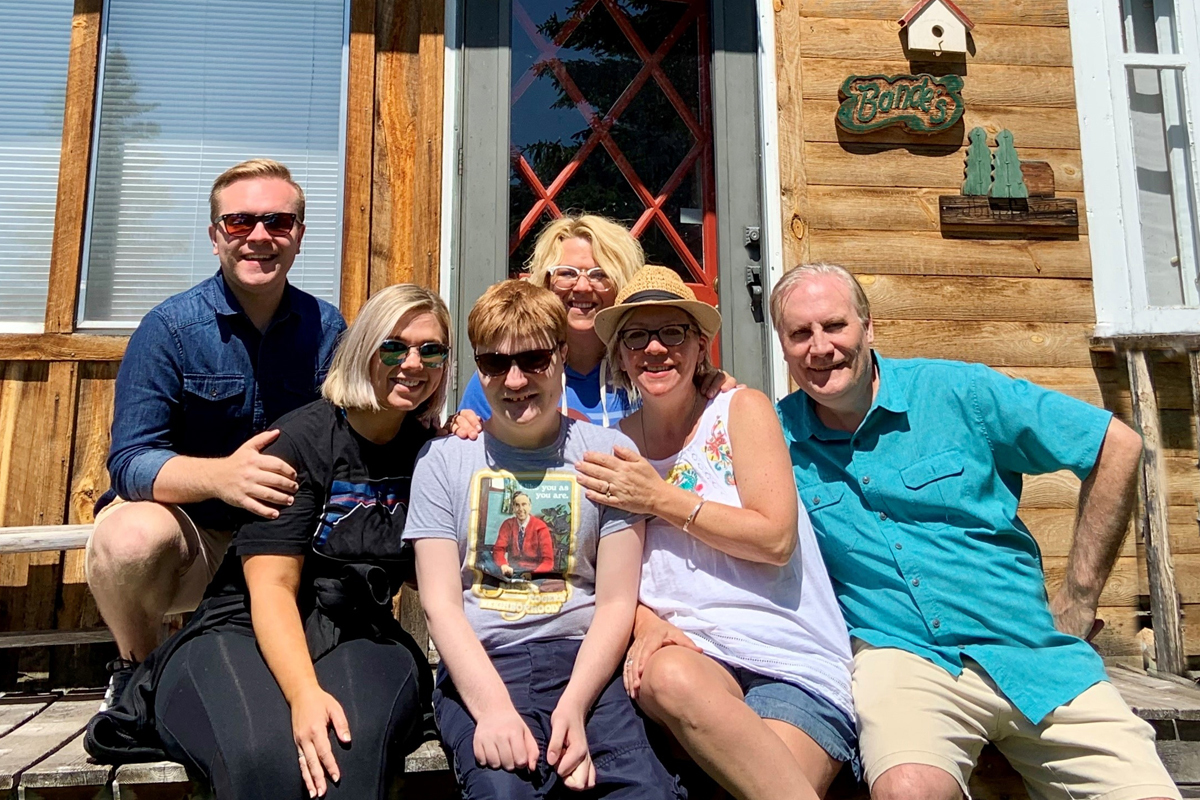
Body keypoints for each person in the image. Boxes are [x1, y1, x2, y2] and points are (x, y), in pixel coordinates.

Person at [770, 262, 1178, 800]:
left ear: (868, 328)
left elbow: (1114, 444)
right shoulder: (775, 439)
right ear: (782, 346)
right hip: (903, 656)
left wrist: (1078, 598)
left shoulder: (958, 392)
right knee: (908, 790)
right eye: (800, 333)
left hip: (1029, 649)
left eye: (835, 326)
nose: (820, 347)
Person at [87, 284, 448, 800]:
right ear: (363, 347)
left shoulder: (431, 453)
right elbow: (272, 587)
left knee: (349, 751)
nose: (413, 363)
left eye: (431, 350)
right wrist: (303, 694)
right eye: (394, 346)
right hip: (247, 622)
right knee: (262, 756)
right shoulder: (298, 441)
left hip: (360, 628)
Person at [574, 266, 856, 800]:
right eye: (637, 336)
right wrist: (641, 620)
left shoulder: (740, 409)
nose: (655, 349)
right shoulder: (613, 448)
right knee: (667, 677)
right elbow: (596, 577)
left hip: (787, 660)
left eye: (672, 333)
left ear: (700, 346)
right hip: (693, 662)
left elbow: (775, 540)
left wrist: (659, 498)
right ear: (620, 355)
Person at [404, 280, 684, 799]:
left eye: (533, 360)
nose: (514, 380)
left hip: (587, 665)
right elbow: (441, 607)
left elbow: (617, 600)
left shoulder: (607, 454)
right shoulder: (444, 461)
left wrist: (575, 706)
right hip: (486, 665)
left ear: (560, 356)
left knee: (644, 791)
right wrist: (492, 711)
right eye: (494, 364)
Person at [87, 159, 346, 705]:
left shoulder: (328, 330)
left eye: (278, 222)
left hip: (287, 537)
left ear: (299, 236)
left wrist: (448, 427)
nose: (258, 237)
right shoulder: (169, 329)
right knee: (129, 538)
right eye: (238, 223)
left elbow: (358, 427)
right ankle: (136, 669)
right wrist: (223, 477)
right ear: (214, 237)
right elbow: (131, 462)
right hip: (194, 538)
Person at [453, 214, 734, 434]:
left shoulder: (649, 368)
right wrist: (462, 426)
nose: (583, 287)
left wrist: (713, 387)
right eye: (567, 273)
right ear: (545, 284)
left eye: (600, 274)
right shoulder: (506, 373)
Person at [493, 492, 554, 578]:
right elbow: (498, 549)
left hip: (535, 572)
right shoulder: (508, 524)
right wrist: (503, 565)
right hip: (512, 571)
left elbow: (548, 561)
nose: (520, 509)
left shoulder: (540, 527)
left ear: (530, 506)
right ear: (513, 508)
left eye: (524, 504)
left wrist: (534, 574)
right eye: (517, 505)